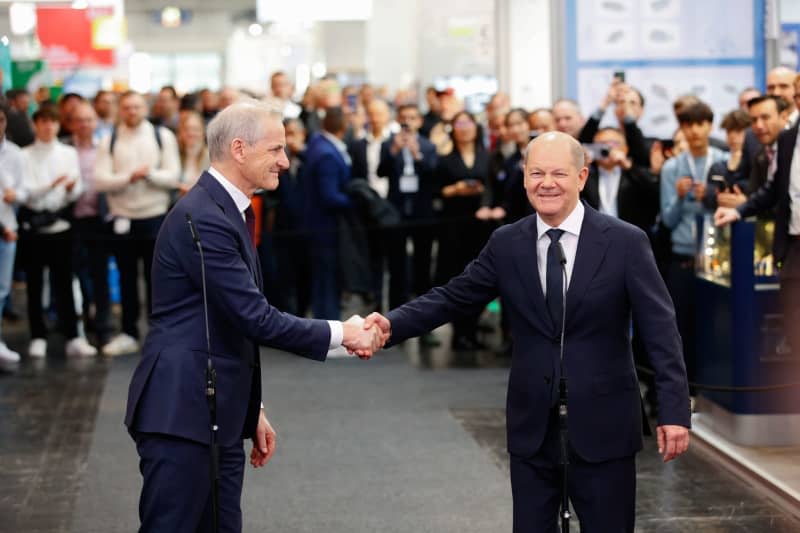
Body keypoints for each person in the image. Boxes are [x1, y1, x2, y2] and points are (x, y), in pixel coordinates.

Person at [365, 131, 690, 532]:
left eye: (559, 173)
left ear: (582, 176)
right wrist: (391, 324)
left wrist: (674, 410)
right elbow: (453, 298)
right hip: (533, 424)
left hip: (605, 424)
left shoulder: (625, 242)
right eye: (536, 173)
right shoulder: (507, 243)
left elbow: (660, 329)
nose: (546, 183)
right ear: (523, 178)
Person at [124, 99, 384, 533]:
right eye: (276, 149)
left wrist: (250, 408)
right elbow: (253, 317)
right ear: (240, 149)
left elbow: (224, 319)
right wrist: (345, 332)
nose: (285, 160)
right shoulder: (203, 216)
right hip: (182, 411)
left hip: (213, 408)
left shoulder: (226, 209)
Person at [94, 90, 181, 356]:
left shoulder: (162, 136)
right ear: (121, 109)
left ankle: (160, 334)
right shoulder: (109, 140)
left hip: (155, 217)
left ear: (145, 108)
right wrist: (128, 178)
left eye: (137, 107)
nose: (132, 111)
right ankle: (129, 332)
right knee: (126, 279)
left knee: (158, 280)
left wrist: (149, 175)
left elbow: (172, 175)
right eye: (127, 107)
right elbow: (99, 180)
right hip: (122, 219)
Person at [715, 116, 800, 362]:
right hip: (794, 248)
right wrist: (738, 211)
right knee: (794, 326)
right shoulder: (787, 139)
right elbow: (774, 190)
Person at [18, 106, 97, 358]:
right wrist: (50, 186)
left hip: (62, 223)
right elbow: (26, 191)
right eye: (43, 122)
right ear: (35, 124)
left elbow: (76, 189)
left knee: (64, 281)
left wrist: (70, 188)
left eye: (52, 122)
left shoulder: (68, 152)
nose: (48, 127)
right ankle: (38, 335)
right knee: (34, 283)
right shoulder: (24, 155)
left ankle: (73, 335)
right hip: (34, 225)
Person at [660, 101, 728, 387]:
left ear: (710, 126)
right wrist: (678, 197)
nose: (695, 130)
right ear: (682, 128)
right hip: (684, 259)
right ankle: (685, 393)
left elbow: (731, 209)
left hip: (718, 260)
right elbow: (668, 220)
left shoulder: (724, 160)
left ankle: (716, 389)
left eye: (701, 124)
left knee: (718, 330)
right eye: (689, 125)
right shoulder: (672, 167)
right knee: (681, 330)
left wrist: (710, 199)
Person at [435, 111, 489, 350]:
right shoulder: (445, 159)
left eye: (469, 123)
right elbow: (436, 192)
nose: (464, 128)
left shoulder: (487, 157)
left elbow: (493, 187)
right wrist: (456, 189)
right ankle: (459, 331)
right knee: (455, 277)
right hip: (453, 224)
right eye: (459, 123)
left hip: (481, 224)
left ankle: (474, 329)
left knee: (482, 278)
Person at [68, 102, 113, 349]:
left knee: (100, 275)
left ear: (95, 122)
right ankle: (82, 324)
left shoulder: (105, 148)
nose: (85, 124)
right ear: (72, 123)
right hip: (73, 220)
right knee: (78, 276)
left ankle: (103, 327)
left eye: (89, 119)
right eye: (79, 119)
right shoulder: (65, 149)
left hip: (99, 220)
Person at [303, 106, 353, 319]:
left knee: (324, 278)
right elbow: (329, 196)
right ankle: (328, 330)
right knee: (326, 280)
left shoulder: (319, 145)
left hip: (319, 226)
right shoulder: (327, 154)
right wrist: (356, 202)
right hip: (325, 228)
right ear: (343, 125)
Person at [0, 105, 24, 363]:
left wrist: (16, 195)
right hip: (4, 227)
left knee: (2, 289)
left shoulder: (15, 154)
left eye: (1, 120)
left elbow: (23, 190)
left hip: (8, 230)